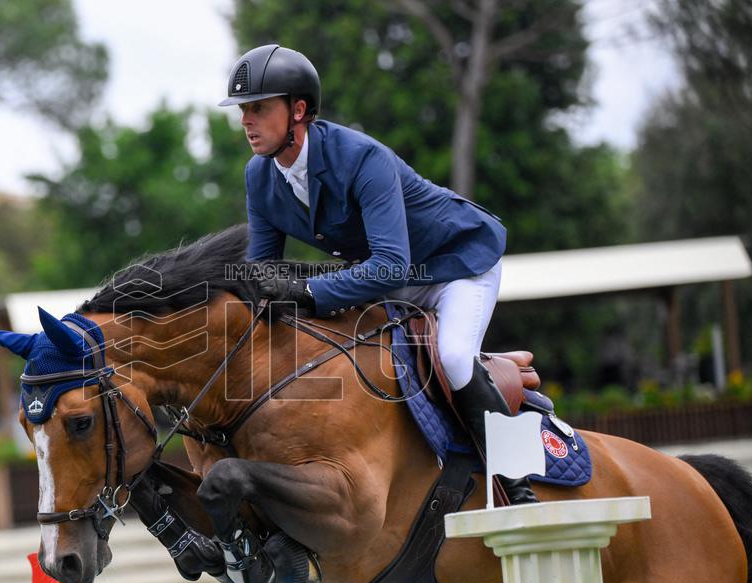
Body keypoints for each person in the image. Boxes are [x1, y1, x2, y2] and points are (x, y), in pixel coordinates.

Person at [219, 44, 537, 504]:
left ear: (299, 111)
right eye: (243, 110)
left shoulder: (363, 158)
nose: (246, 121)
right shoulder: (260, 175)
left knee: (450, 356)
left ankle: (516, 483)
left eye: (259, 109)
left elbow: (390, 266)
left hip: (457, 265)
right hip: (395, 276)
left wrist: (307, 289)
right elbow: (261, 267)